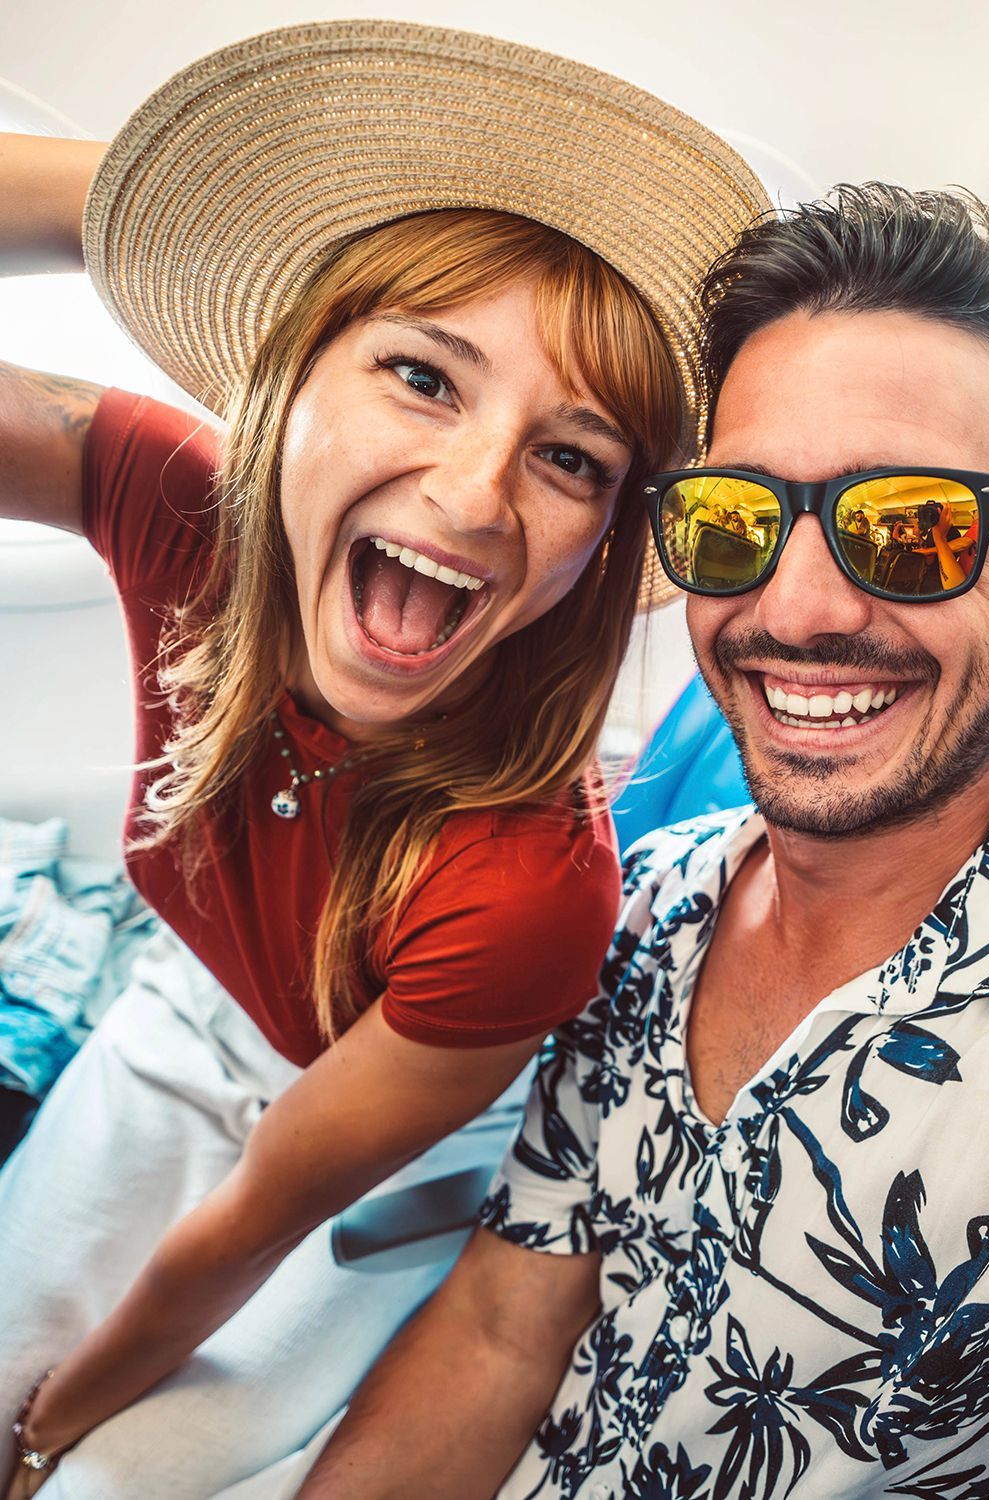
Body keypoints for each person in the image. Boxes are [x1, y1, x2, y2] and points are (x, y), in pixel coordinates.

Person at [296, 184, 989, 1499]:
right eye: (737, 521)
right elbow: (502, 1333)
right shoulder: (653, 903)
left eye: (912, 528)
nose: (802, 607)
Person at [0, 20, 768, 1499]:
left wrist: (43, 1439)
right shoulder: (180, 504)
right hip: (184, 1014)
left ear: (603, 543)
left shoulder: (535, 889)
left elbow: (248, 1226)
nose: (476, 491)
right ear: (292, 380)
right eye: (423, 375)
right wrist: (162, 192)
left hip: (395, 1139)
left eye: (572, 458)